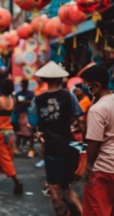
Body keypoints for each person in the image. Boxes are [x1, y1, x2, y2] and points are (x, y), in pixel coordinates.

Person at [30, 61, 85, 215]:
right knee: (66, 186)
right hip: (69, 145)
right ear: (61, 79)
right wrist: (85, 142)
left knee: (54, 187)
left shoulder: (38, 100)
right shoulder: (69, 96)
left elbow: (33, 121)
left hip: (51, 148)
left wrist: (39, 130)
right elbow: (80, 119)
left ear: (45, 80)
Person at [81, 64, 114, 215]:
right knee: (112, 210)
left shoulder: (97, 109)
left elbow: (94, 143)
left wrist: (88, 168)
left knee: (96, 212)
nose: (85, 88)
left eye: (87, 85)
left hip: (104, 169)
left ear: (96, 85)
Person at [14, 79, 35, 158]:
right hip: (20, 114)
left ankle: (31, 149)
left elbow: (32, 102)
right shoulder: (18, 93)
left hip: (28, 114)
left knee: (30, 133)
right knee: (19, 132)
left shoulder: (30, 93)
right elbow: (15, 102)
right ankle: (17, 147)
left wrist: (23, 102)